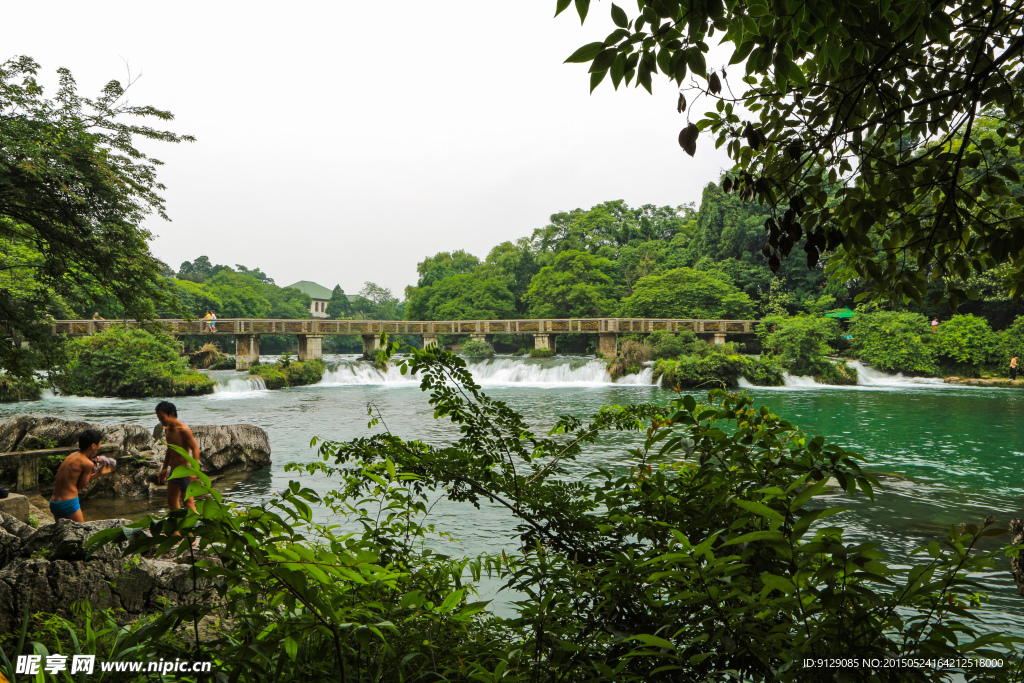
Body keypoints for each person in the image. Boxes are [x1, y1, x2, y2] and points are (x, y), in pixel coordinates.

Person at [49, 429, 116, 522]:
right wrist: (98, 473)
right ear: (93, 445)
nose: (99, 447)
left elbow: (72, 479)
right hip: (68, 503)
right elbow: (81, 486)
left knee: (62, 532)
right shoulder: (87, 463)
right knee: (82, 533)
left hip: (54, 502)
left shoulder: (72, 455)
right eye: (99, 444)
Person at [156, 400, 200, 513]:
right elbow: (170, 449)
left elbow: (195, 448)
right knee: (172, 502)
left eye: (162, 418)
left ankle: (195, 529)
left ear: (171, 414)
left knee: (188, 503)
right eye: (159, 419)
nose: (161, 421)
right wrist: (165, 468)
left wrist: (195, 471)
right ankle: (178, 530)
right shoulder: (167, 430)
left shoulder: (183, 430)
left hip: (185, 471)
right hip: (174, 471)